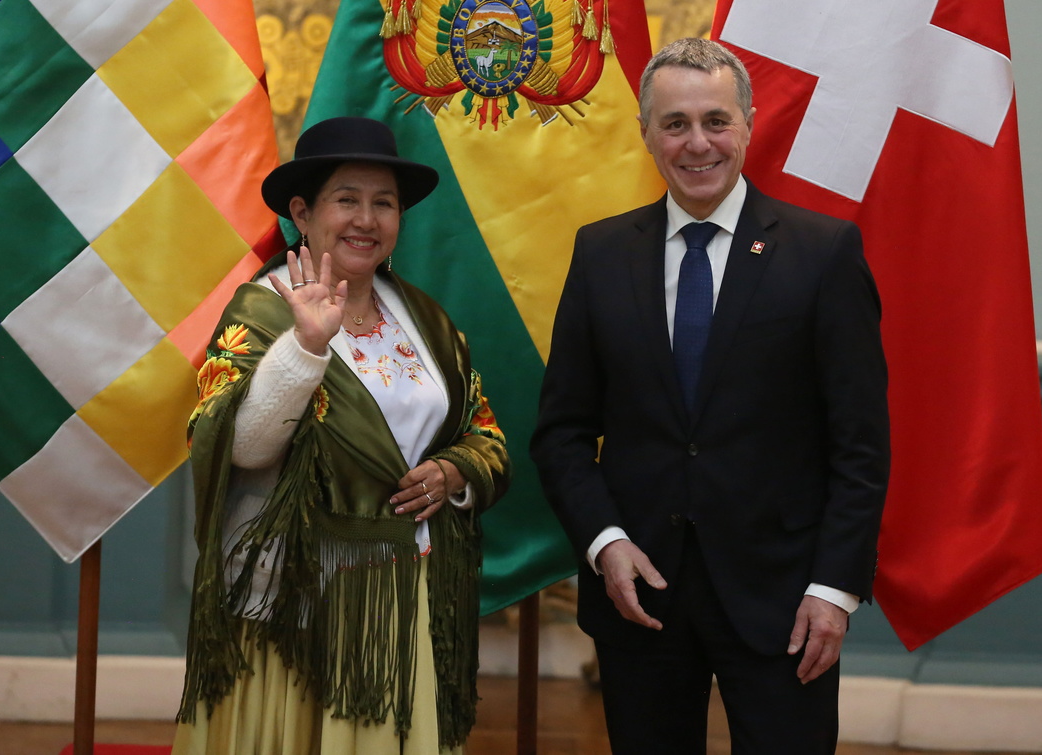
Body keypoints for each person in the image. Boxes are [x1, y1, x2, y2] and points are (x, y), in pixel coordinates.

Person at [531, 38, 890, 754]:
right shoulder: (602, 254)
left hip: (786, 598)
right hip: (641, 592)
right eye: (676, 124)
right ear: (646, 134)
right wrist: (606, 543)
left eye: (716, 121)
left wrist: (835, 588)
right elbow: (563, 430)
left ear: (750, 124)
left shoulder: (823, 253)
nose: (698, 143)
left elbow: (861, 444)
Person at [173, 116, 510, 755]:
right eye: (347, 199)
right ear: (303, 212)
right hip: (293, 608)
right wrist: (306, 345)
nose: (367, 219)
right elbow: (236, 446)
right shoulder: (263, 307)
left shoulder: (427, 319)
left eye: (384, 203)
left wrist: (453, 473)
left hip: (401, 601)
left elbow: (483, 432)